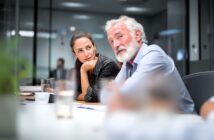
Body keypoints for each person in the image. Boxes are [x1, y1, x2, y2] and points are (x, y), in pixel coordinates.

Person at [104, 15, 195, 113]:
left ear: (137, 35)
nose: (115, 45)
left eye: (120, 36)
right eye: (111, 41)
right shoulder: (128, 62)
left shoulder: (154, 53)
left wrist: (120, 88)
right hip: (156, 118)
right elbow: (107, 96)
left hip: (182, 120)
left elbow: (127, 92)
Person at [70, 32, 120, 102]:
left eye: (88, 47)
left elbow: (90, 97)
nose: (86, 54)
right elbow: (72, 92)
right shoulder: (79, 63)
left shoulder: (108, 65)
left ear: (94, 47)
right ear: (75, 54)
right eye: (80, 50)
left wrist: (83, 70)